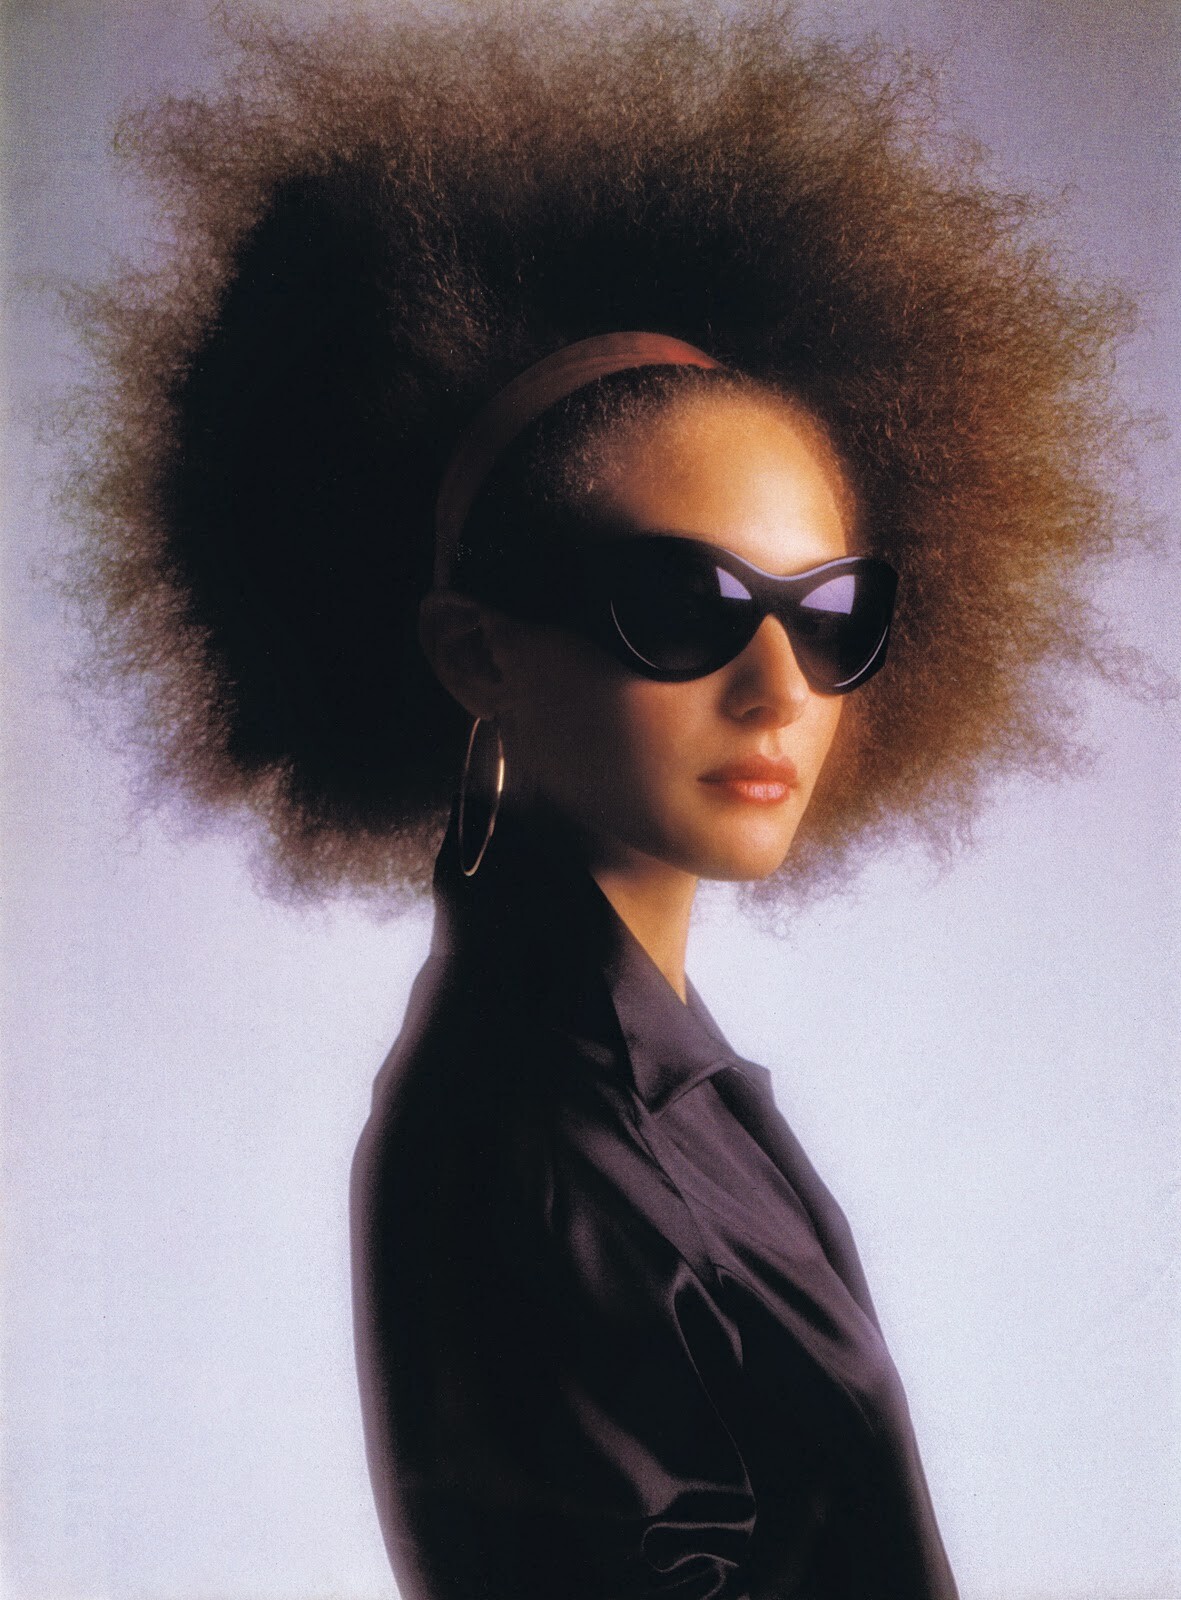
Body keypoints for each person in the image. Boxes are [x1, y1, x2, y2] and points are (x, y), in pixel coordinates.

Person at [70, 4, 1145, 1596]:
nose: (776, 686)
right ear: (476, 653)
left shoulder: (627, 1069)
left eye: (829, 615)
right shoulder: (552, 1137)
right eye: (683, 605)